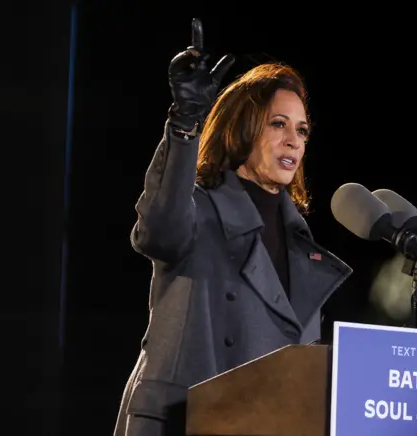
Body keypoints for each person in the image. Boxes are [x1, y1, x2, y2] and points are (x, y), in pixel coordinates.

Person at [113, 18, 353, 436]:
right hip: (184, 421)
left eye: (302, 130)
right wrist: (186, 123)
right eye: (278, 124)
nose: (294, 141)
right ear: (244, 126)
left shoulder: (303, 249)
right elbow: (159, 229)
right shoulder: (198, 208)